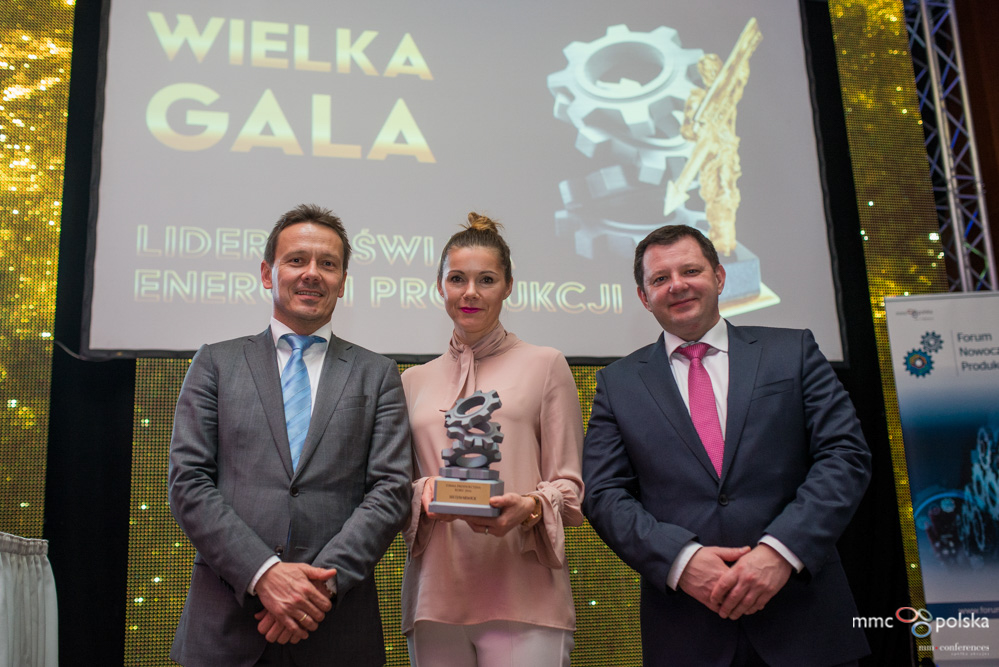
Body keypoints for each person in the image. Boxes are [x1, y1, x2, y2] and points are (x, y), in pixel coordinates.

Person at [582, 225, 871, 666]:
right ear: (643, 297)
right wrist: (681, 560)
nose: (677, 285)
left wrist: (780, 552)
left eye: (690, 270)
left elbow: (845, 455)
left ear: (719, 277)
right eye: (660, 278)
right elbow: (603, 493)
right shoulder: (617, 384)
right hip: (687, 630)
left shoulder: (792, 351)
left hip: (804, 618)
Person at [168, 204, 412, 666]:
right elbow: (188, 483)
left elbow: (391, 490)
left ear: (342, 281)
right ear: (268, 273)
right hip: (226, 629)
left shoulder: (377, 374)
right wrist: (264, 574)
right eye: (297, 260)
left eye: (328, 264)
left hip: (336, 629)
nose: (312, 274)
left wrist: (316, 589)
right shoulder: (216, 364)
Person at [400, 213, 584, 666]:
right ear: (440, 286)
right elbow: (393, 488)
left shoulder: (547, 365)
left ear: (508, 286)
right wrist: (424, 493)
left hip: (525, 592)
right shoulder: (412, 381)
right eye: (457, 279)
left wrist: (530, 507)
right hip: (434, 598)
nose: (470, 292)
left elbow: (570, 489)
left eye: (486, 280)